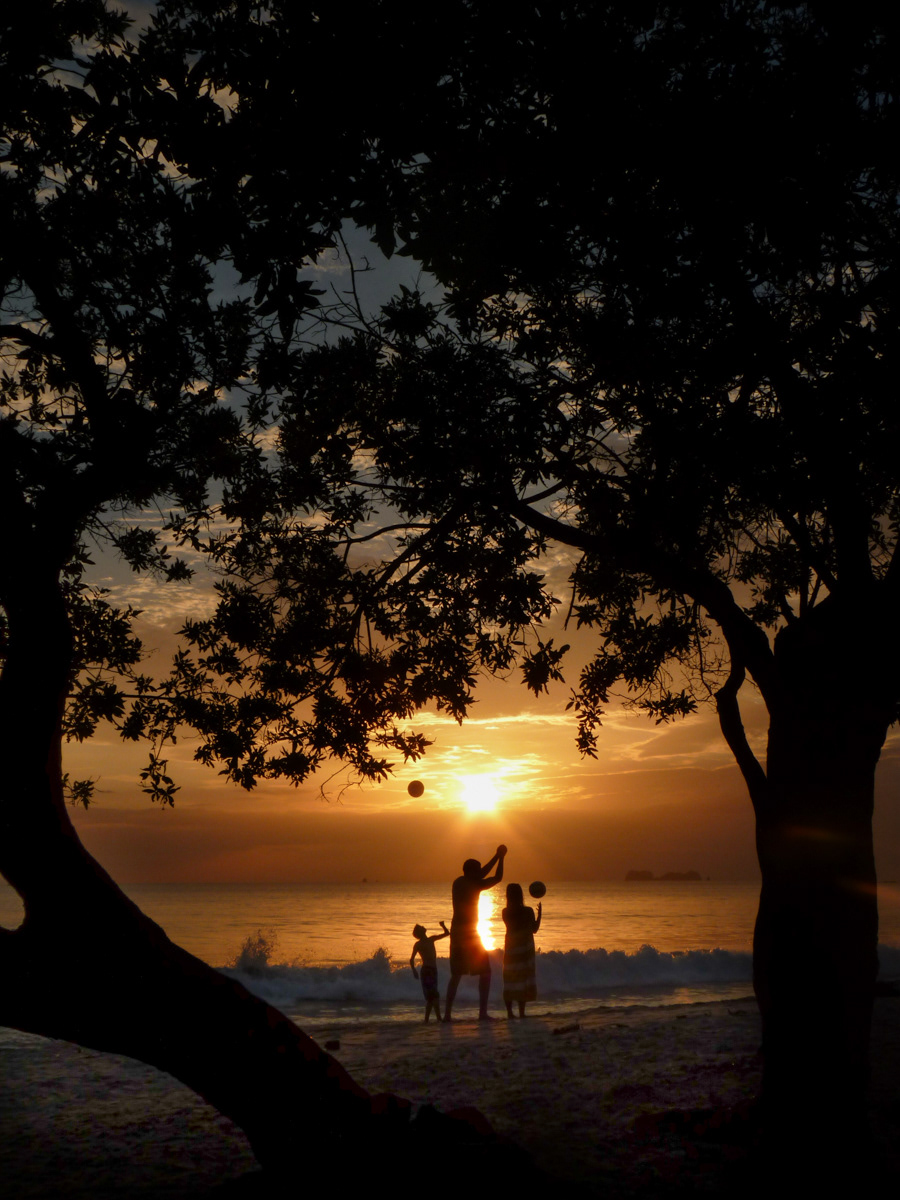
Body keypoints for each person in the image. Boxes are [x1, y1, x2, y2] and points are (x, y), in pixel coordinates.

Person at [445, 844, 507, 1021]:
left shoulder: (461, 882)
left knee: (464, 974)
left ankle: (451, 1015)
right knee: (473, 973)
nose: (481, 872)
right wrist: (499, 857)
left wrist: (498, 857)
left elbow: (493, 875)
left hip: (462, 933)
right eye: (478, 870)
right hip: (466, 935)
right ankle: (477, 1013)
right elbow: (494, 876)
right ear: (471, 872)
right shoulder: (465, 884)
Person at [502, 882, 542, 1018]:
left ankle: (509, 1013)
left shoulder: (505, 912)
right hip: (525, 948)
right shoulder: (528, 911)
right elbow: (534, 929)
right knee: (523, 980)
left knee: (510, 980)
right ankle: (522, 1013)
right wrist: (539, 915)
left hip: (511, 949)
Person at [409, 921, 449, 1023]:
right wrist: (414, 970)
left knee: (433, 996)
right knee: (434, 996)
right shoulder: (418, 944)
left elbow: (446, 934)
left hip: (433, 970)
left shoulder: (431, 939)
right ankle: (436, 1018)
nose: (423, 926)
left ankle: (428, 1019)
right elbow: (411, 959)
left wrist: (443, 926)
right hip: (427, 971)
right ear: (420, 932)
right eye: (421, 927)